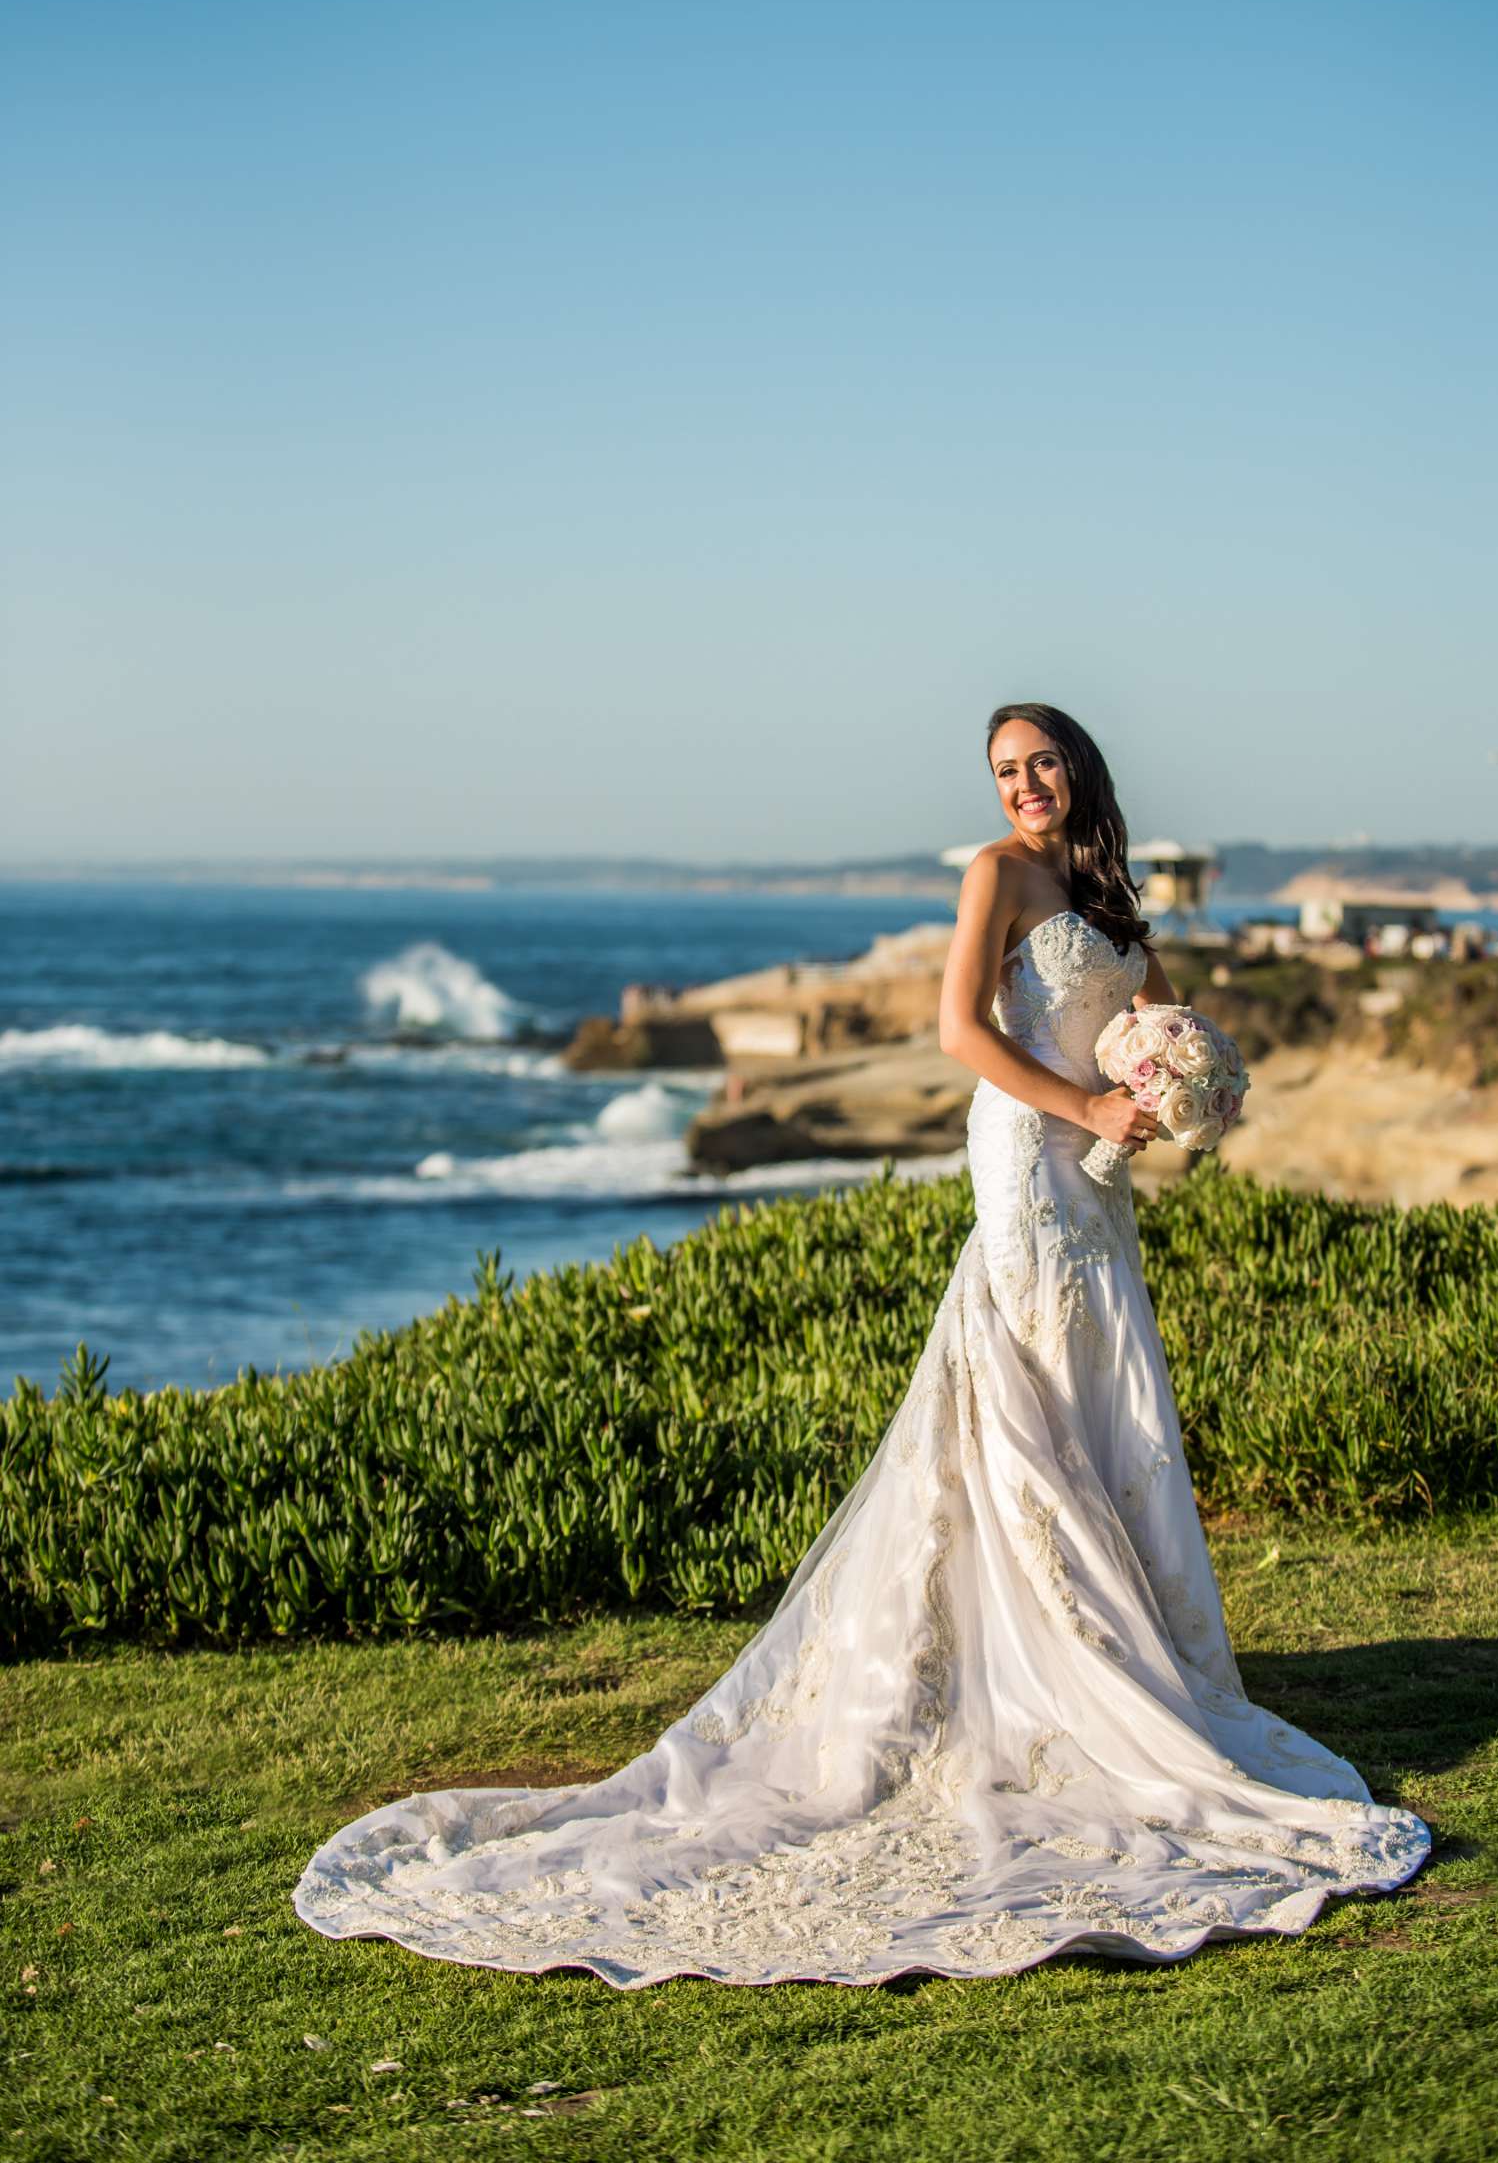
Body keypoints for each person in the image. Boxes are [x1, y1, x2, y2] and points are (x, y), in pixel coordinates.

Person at [294, 702, 1431, 1985]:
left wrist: (1179, 1080)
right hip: (1027, 1156)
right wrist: (1088, 1101)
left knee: (1102, 1395)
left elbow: (1141, 1014)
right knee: (1031, 1397)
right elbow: (963, 1034)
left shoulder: (1107, 888)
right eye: (1005, 771)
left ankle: (1127, 1662)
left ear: (1081, 769)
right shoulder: (995, 874)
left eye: (1042, 763)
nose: (1025, 787)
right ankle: (1047, 1671)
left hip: (1098, 1167)